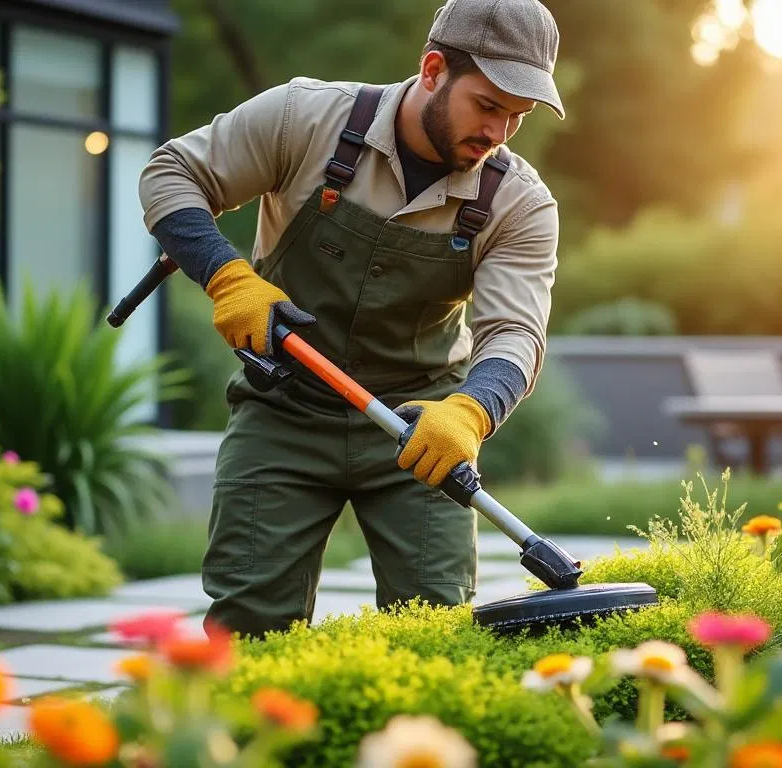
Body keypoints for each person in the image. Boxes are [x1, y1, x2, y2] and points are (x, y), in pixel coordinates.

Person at [138, 0, 564, 639]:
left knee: (434, 633)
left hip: (419, 433)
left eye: (517, 117)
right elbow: (172, 172)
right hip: (284, 412)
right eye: (488, 105)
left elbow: (515, 334)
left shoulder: (518, 203)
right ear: (432, 69)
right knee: (250, 629)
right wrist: (228, 277)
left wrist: (470, 413)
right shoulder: (305, 118)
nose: (499, 131)